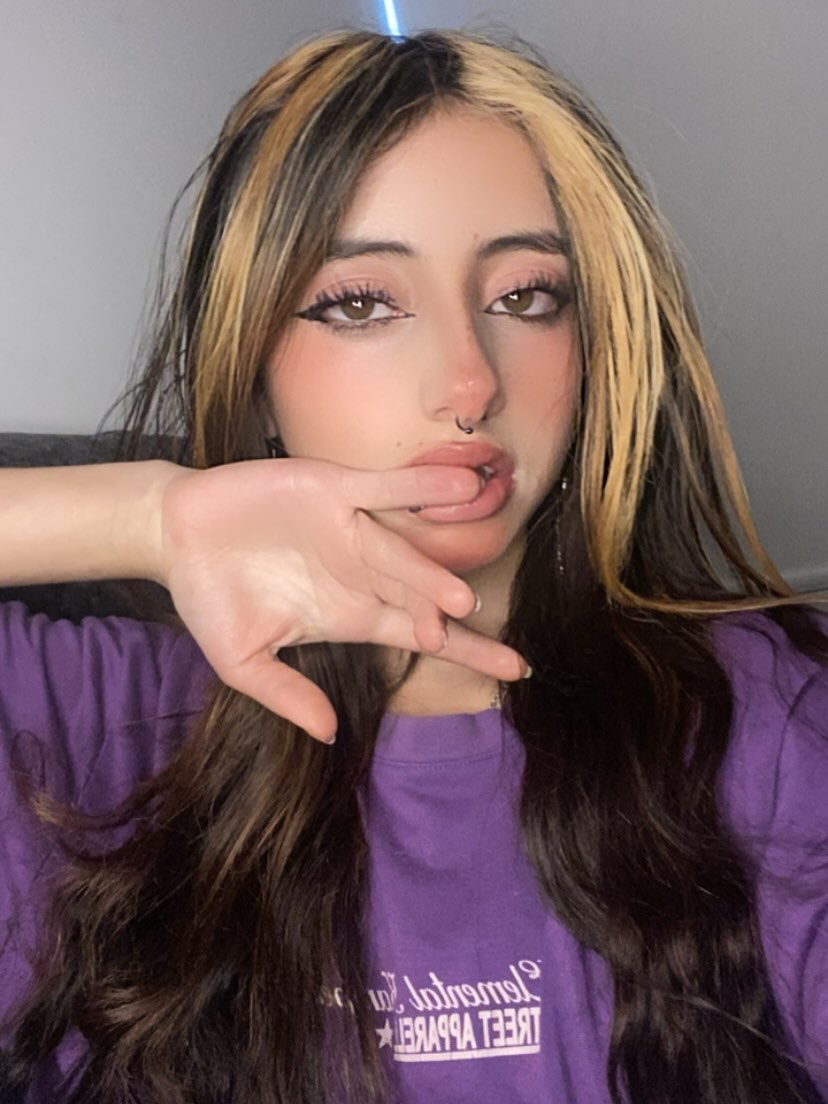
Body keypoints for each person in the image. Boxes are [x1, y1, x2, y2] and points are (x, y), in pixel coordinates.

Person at [0, 27, 826, 1104]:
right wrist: (145, 515)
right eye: (361, 302)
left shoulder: (759, 712)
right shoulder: (96, 726)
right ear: (254, 367)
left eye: (525, 296)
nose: (469, 382)